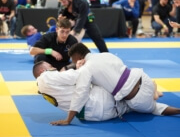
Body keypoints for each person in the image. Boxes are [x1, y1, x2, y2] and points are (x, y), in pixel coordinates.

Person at [50, 42, 180, 125]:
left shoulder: (86, 69)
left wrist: (68, 119)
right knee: (128, 91)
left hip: (137, 98)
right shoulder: (106, 54)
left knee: (154, 108)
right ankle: (154, 89)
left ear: (78, 58)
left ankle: (165, 102)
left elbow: (80, 93)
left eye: (73, 60)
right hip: (142, 77)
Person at [33, 61, 129, 122]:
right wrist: (81, 67)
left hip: (91, 116)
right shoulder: (45, 76)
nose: (53, 67)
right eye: (50, 66)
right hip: (99, 102)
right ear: (42, 70)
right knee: (95, 70)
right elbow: (76, 76)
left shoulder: (42, 89)